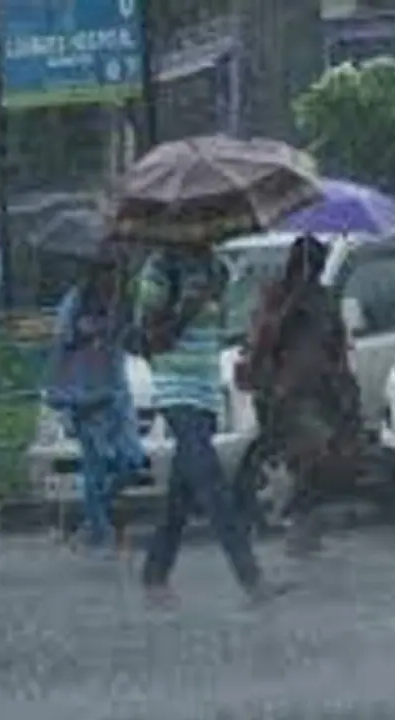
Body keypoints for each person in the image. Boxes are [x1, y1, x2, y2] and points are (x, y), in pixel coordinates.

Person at [136, 246, 286, 605]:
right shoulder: (159, 268)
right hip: (174, 390)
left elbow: (219, 327)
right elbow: (151, 339)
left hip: (206, 389)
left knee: (183, 492)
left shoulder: (216, 267)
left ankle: (155, 575)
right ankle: (251, 578)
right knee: (212, 483)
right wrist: (185, 310)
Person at [244, 235, 363, 557]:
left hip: (323, 390)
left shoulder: (324, 300)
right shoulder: (277, 297)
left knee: (327, 460)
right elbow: (262, 339)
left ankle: (305, 526)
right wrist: (290, 307)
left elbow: (337, 344)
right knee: (311, 453)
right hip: (287, 393)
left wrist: (346, 388)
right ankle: (297, 523)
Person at [47, 252, 146, 554]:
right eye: (104, 272)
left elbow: (133, 338)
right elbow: (62, 340)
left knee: (131, 460)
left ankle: (94, 516)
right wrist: (88, 332)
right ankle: (100, 531)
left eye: (114, 272)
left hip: (116, 390)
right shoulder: (76, 302)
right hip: (85, 395)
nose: (109, 279)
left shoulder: (123, 303)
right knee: (96, 463)